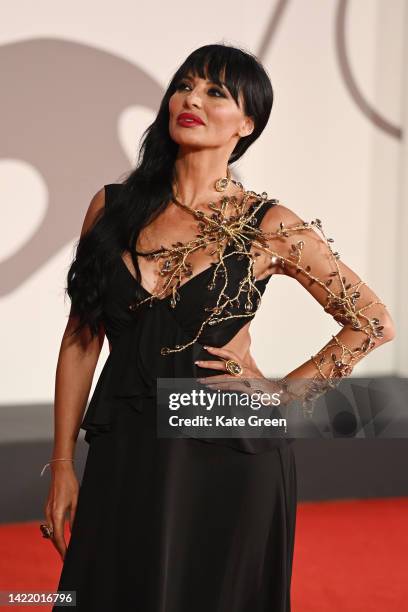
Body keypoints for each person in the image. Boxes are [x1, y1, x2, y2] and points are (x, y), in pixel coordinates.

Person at [41, 43, 396, 611]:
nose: (192, 99)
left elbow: (372, 321)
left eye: (215, 92)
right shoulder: (112, 208)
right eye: (184, 85)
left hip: (228, 441)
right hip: (127, 444)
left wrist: (282, 394)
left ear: (248, 123)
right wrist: (61, 465)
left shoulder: (269, 225)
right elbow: (81, 340)